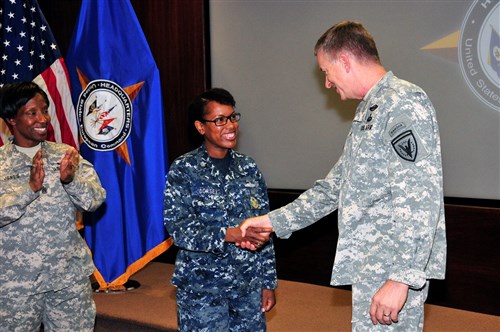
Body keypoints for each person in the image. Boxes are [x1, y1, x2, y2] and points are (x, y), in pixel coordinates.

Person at [238, 21, 446, 331]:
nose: (327, 83)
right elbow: (335, 187)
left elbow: (420, 198)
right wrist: (273, 221)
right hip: (372, 266)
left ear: (345, 61)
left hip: (392, 270)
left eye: (325, 71)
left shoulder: (403, 103)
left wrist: (402, 278)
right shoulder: (369, 111)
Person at [163, 88, 277, 331]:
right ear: (200, 127)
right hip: (202, 290)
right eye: (220, 120)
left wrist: (268, 282)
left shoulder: (249, 168)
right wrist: (229, 234)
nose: (231, 126)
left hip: (247, 285)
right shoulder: (184, 169)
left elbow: (265, 230)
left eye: (233, 117)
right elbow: (178, 229)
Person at [0, 81, 106, 331]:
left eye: (45, 110)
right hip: (15, 286)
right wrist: (29, 190)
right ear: (11, 120)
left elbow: (95, 200)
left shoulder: (66, 155)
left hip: (67, 279)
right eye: (32, 112)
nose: (43, 118)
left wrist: (70, 180)